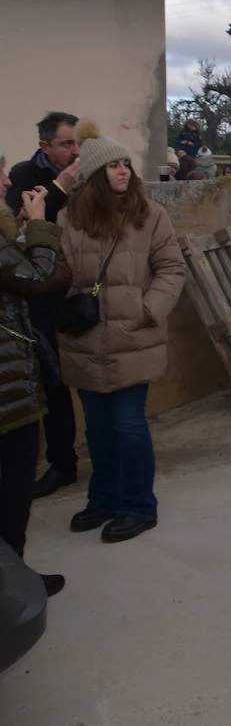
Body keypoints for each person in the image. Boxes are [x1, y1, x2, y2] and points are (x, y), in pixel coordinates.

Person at [57, 121, 187, 543]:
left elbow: (172, 268)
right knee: (96, 428)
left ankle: (138, 506)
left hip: (133, 339)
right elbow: (58, 273)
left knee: (128, 425)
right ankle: (104, 499)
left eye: (125, 164)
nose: (122, 172)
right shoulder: (69, 218)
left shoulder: (150, 215)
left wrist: (148, 310)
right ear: (95, 174)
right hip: (84, 338)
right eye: (112, 166)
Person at [0, 153, 69, 593]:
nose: (6, 180)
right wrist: (41, 222)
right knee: (11, 489)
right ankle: (14, 588)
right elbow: (35, 273)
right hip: (7, 387)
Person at [6, 111, 82, 498]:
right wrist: (59, 187)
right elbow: (28, 222)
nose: (75, 150)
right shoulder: (22, 176)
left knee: (85, 376)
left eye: (77, 142)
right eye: (67, 143)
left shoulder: (90, 172)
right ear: (45, 147)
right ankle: (61, 463)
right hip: (41, 295)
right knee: (51, 382)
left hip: (80, 290)